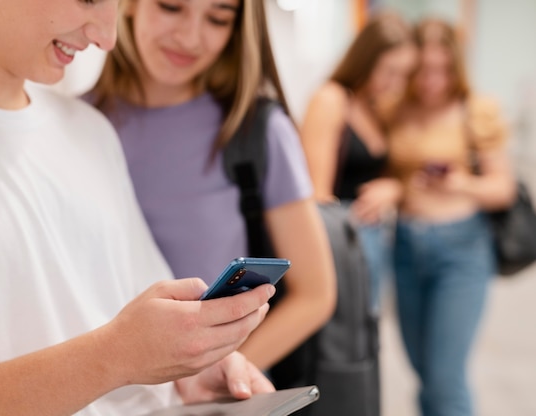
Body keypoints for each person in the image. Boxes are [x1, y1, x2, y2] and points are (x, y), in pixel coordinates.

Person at [0, 0, 278, 414]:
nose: (108, 38)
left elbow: (132, 319)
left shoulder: (90, 131)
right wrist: (114, 359)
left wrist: (185, 373)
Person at [86, 0, 337, 372]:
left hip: (211, 399)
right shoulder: (71, 126)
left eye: (218, 19)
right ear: (130, 5)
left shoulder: (257, 131)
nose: (190, 38)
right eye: (171, 7)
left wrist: (213, 374)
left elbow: (315, 294)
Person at [387, 18, 516, 416]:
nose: (432, 81)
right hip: (406, 246)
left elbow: (503, 190)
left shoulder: (476, 110)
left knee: (446, 380)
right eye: (423, 70)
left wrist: (461, 185)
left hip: (460, 249)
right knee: (424, 372)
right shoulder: (396, 109)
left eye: (442, 70)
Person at [300, 13, 416, 313]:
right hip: (340, 239)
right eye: (389, 71)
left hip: (373, 237)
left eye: (404, 75)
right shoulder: (332, 99)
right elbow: (317, 197)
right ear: (366, 59)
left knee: (367, 330)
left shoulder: (376, 108)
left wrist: (394, 188)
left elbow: (391, 173)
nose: (396, 84)